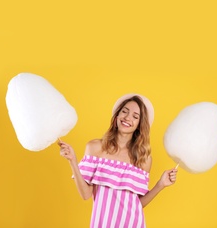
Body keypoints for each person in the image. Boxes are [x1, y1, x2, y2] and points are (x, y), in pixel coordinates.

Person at [58, 94, 178, 228]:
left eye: (135, 116)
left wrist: (160, 184)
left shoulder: (143, 159)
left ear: (139, 125)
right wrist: (73, 161)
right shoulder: (95, 148)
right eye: (124, 112)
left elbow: (138, 204)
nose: (127, 118)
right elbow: (85, 194)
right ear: (117, 116)